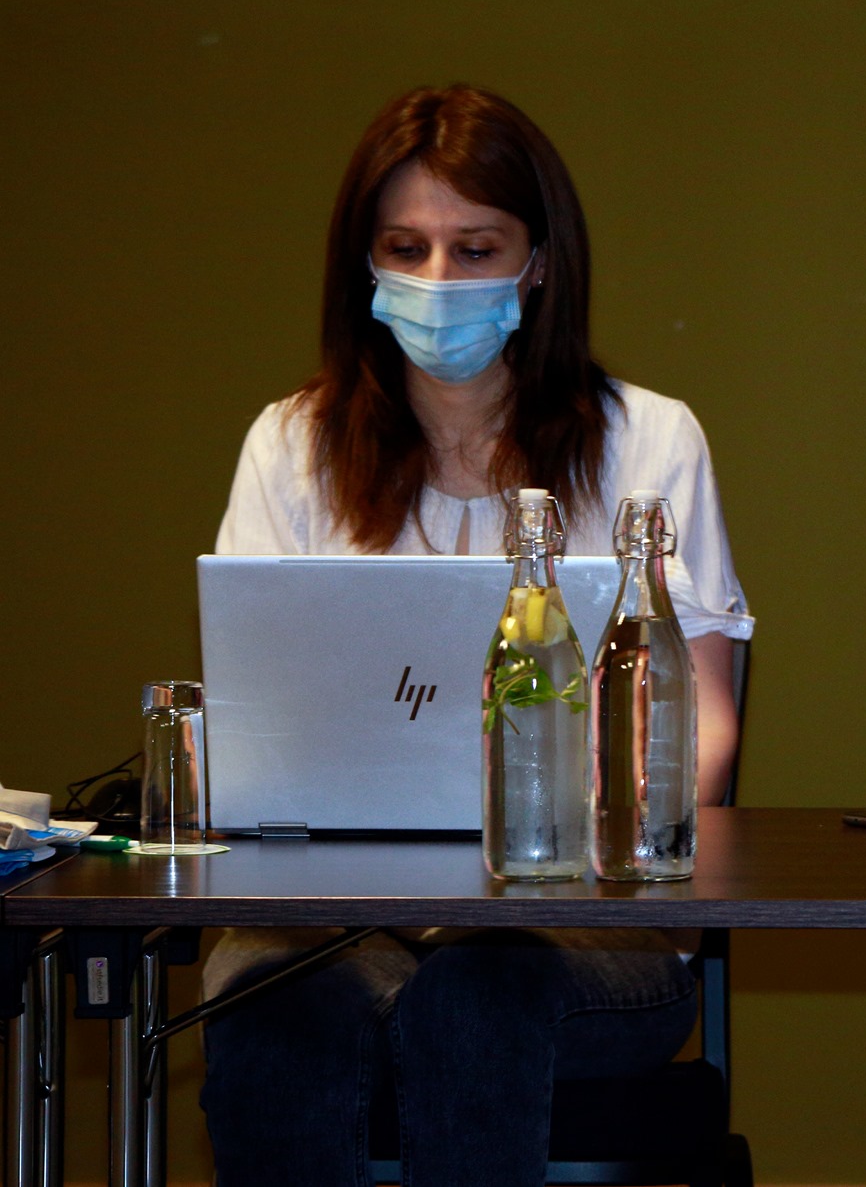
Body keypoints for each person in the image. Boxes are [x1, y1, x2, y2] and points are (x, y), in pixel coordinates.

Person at [202, 84, 752, 1187]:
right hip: (336, 916)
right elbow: (249, 725)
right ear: (364, 264)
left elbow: (704, 728)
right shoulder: (290, 446)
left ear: (538, 263)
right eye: (406, 248)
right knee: (278, 1002)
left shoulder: (649, 439)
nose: (439, 280)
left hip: (585, 926)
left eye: (476, 248)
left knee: (473, 995)